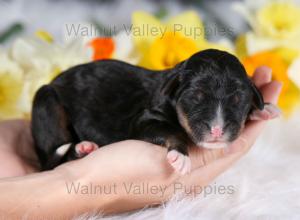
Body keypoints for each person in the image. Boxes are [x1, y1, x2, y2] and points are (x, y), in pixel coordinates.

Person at [0, 67, 282, 219]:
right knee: (47, 95)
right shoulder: (159, 100)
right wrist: (80, 188)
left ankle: (71, 155)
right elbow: (150, 126)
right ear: (173, 90)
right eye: (197, 100)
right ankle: (59, 154)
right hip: (67, 109)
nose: (216, 127)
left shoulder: (188, 94)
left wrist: (251, 108)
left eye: (236, 101)